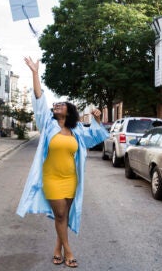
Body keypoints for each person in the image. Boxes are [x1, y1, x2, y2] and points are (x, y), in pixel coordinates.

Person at [16, 57, 109, 268]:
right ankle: (69, 251)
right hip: (51, 178)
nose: (56, 105)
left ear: (69, 111)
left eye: (61, 104)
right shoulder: (47, 125)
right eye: (55, 104)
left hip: (71, 179)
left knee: (63, 216)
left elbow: (95, 136)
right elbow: (40, 100)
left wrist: (97, 119)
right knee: (59, 214)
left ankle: (57, 249)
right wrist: (34, 73)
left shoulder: (76, 131)